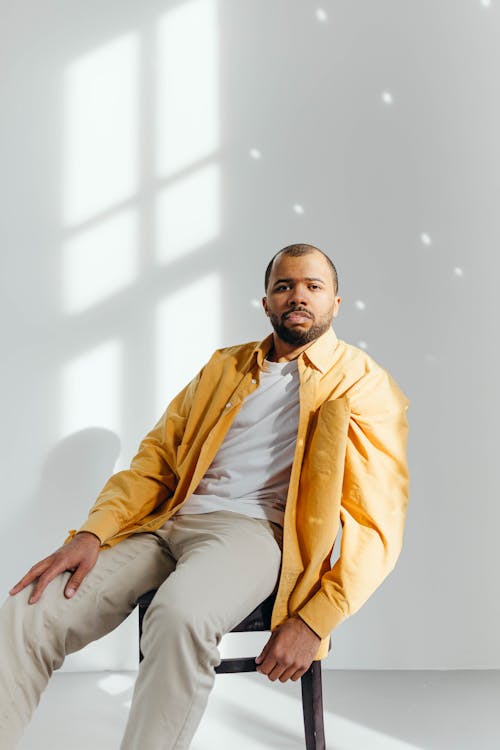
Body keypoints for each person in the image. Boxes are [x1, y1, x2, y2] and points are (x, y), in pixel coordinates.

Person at [0, 243, 410, 749]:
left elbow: (376, 527)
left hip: (254, 533)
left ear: (336, 304)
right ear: (266, 303)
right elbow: (155, 460)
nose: (297, 297)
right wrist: (92, 533)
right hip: (165, 524)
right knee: (29, 611)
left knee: (178, 616)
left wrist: (313, 620)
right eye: (284, 286)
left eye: (313, 286)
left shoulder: (366, 385)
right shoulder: (225, 366)